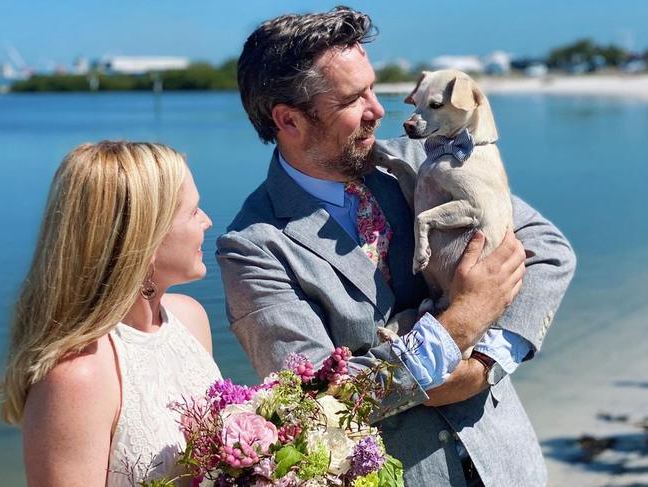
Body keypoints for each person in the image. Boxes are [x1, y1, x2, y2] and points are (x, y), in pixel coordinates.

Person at [217, 7, 576, 487]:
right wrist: (462, 320)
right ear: (289, 120)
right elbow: (313, 401)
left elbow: (548, 248)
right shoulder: (252, 249)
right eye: (353, 98)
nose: (379, 109)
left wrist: (486, 361)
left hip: (509, 466)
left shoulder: (421, 157)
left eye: (372, 87)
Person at [1, 141, 222, 486]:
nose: (207, 221)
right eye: (193, 211)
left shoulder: (190, 320)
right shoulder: (78, 376)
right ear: (148, 236)